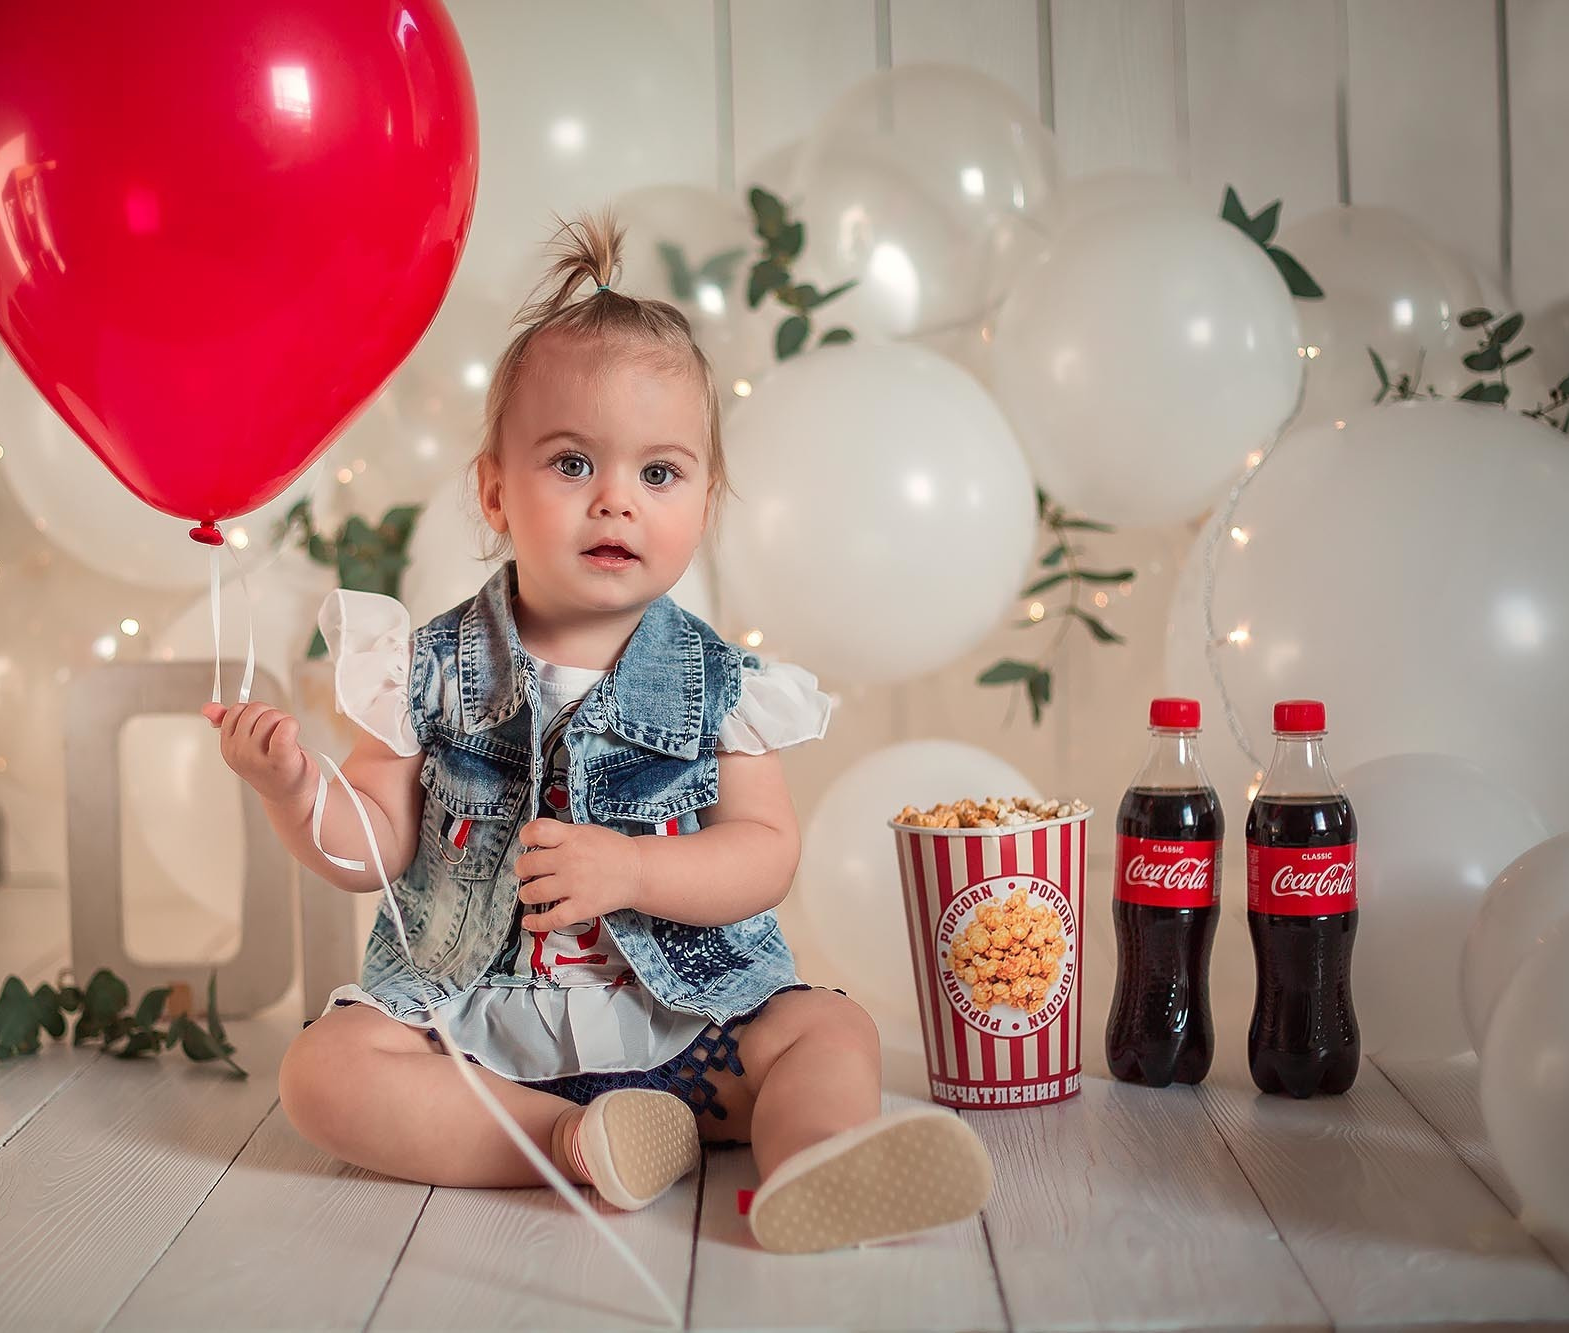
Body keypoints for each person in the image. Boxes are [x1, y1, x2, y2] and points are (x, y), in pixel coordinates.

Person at [204, 212, 993, 1253]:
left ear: (703, 503)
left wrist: (631, 869)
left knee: (828, 1028)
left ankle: (814, 1158)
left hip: (688, 1036)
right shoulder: (422, 668)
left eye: (657, 474)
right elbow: (373, 852)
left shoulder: (722, 686)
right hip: (476, 1043)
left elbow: (762, 855)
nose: (615, 499)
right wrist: (292, 792)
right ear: (494, 490)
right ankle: (579, 1139)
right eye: (572, 464)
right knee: (323, 1074)